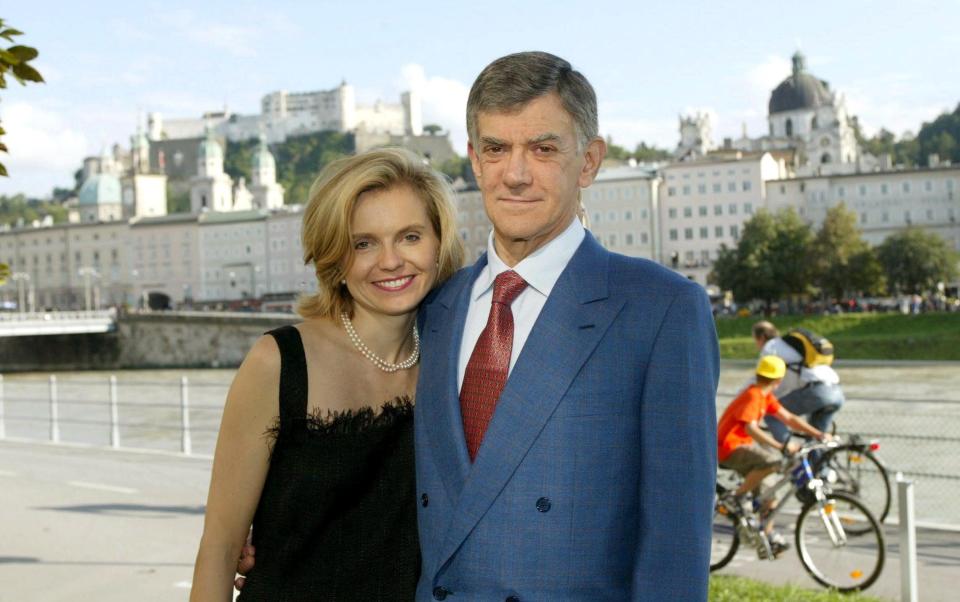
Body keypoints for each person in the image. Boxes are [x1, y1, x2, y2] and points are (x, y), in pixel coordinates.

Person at [413, 51, 718, 600]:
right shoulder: (435, 309)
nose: (516, 173)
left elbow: (675, 545)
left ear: (590, 161)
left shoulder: (662, 310)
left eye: (544, 149)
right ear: (474, 161)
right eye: (496, 148)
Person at [190, 148, 464, 601]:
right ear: (334, 258)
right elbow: (219, 549)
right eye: (364, 243)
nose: (391, 261)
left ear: (439, 244)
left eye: (410, 236)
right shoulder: (278, 363)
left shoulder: (455, 358)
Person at [717, 355, 829, 556]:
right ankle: (737, 497)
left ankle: (766, 539)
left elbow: (790, 419)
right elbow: (750, 427)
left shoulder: (765, 396)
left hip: (743, 448)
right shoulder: (753, 395)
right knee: (772, 461)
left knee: (769, 496)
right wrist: (780, 445)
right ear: (779, 380)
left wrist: (817, 434)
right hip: (729, 448)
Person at [752, 320, 844, 443]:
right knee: (816, 439)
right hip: (836, 392)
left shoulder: (771, 347)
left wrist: (744, 399)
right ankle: (819, 461)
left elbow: (761, 379)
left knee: (772, 414)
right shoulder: (789, 345)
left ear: (762, 337)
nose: (756, 344)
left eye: (755, 340)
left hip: (816, 392)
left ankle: (790, 453)